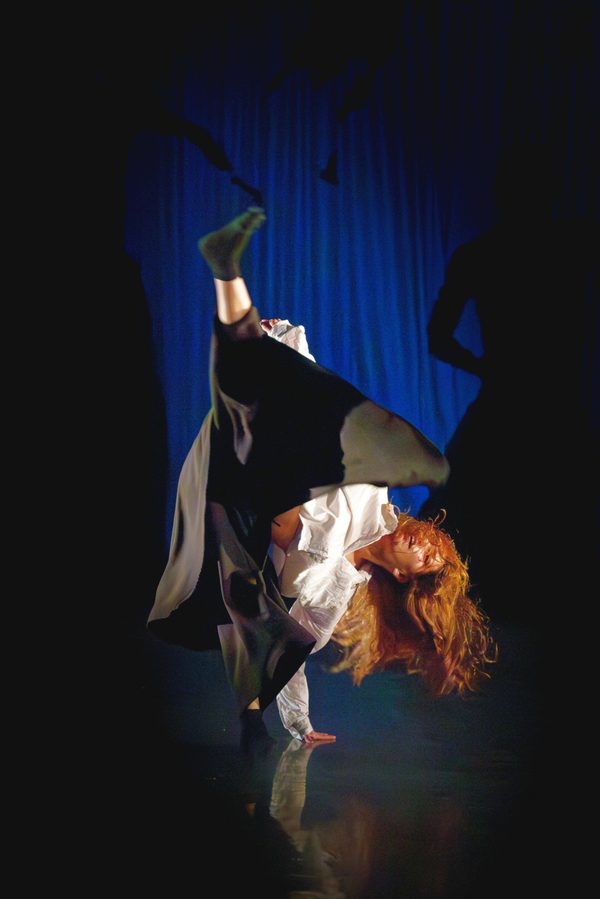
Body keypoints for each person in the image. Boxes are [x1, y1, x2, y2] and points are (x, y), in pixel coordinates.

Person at [146, 207, 492, 748]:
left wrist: (297, 724)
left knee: (262, 576)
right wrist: (287, 347)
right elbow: (321, 414)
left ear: (402, 578)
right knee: (263, 378)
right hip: (262, 448)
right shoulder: (375, 495)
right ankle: (226, 270)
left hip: (239, 503)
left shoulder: (335, 591)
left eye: (426, 560)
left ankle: (249, 335)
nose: (423, 545)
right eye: (433, 546)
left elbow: (291, 651)